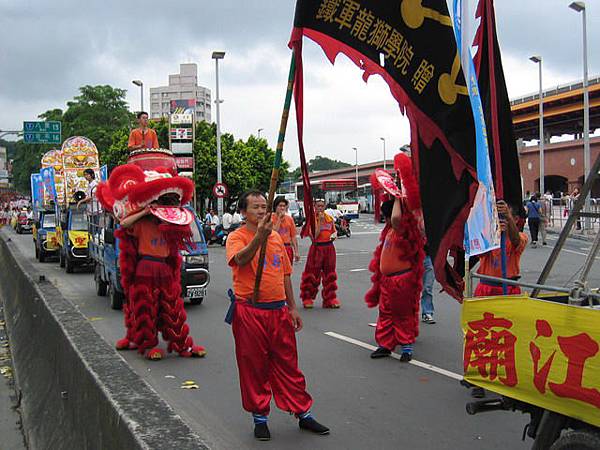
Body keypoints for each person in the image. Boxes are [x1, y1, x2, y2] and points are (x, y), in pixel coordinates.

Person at [225, 190, 329, 441]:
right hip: (249, 311)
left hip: (278, 310)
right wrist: (257, 238)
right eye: (255, 207)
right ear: (243, 212)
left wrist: (292, 307)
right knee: (254, 366)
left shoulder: (274, 238)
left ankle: (303, 412)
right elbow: (239, 259)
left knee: (288, 364)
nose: (261, 211)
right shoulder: (236, 236)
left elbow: (284, 275)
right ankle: (260, 418)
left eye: (264, 206)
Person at [365, 154, 425, 362]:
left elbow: (398, 217)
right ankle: (385, 344)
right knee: (386, 311)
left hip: (403, 278)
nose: (386, 217)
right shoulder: (390, 230)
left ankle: (406, 345)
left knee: (402, 312)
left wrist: (399, 196)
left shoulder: (404, 228)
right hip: (388, 280)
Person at [473, 201, 528, 297]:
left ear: (515, 219)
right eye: (498, 217)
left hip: (509, 288)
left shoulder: (521, 237)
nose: (500, 221)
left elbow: (516, 241)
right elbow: (479, 251)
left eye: (505, 218)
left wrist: (508, 218)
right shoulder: (488, 237)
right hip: (486, 288)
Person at [299, 199, 341, 309]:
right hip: (317, 248)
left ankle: (330, 298)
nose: (320, 208)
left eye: (322, 206)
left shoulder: (329, 219)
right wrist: (319, 222)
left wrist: (334, 235)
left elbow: (334, 231)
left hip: (329, 247)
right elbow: (314, 236)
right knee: (312, 274)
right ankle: (307, 297)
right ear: (314, 207)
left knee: (330, 274)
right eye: (318, 206)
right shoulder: (311, 220)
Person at [272, 196, 300, 263]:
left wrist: (296, 252)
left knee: (287, 271)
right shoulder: (271, 218)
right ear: (275, 207)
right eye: (280, 206)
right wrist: (279, 219)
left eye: (284, 206)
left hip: (287, 247)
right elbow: (274, 232)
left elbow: (293, 236)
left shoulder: (289, 219)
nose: (282, 208)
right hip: (275, 248)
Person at [420, 247, 435, 324]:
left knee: (427, 287)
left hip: (429, 257)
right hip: (412, 257)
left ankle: (427, 312)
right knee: (410, 288)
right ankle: (408, 315)